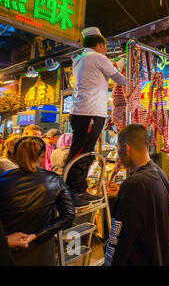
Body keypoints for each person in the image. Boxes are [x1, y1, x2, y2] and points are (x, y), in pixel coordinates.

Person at [66, 27, 127, 207]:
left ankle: (78, 190)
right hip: (89, 113)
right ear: (100, 44)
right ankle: (73, 193)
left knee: (83, 152)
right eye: (105, 47)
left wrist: (115, 66)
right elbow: (121, 80)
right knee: (81, 153)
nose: (105, 51)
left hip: (84, 112)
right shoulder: (97, 57)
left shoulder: (80, 59)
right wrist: (123, 68)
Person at [103, 124, 169, 266]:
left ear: (126, 148)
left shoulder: (132, 186)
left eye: (117, 148)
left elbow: (118, 242)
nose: (118, 153)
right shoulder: (160, 174)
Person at [0, 136, 74, 265]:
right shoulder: (54, 180)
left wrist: (5, 240)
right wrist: (35, 235)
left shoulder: (2, 179)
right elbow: (68, 216)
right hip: (41, 249)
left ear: (16, 155)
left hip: (8, 249)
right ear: (44, 155)